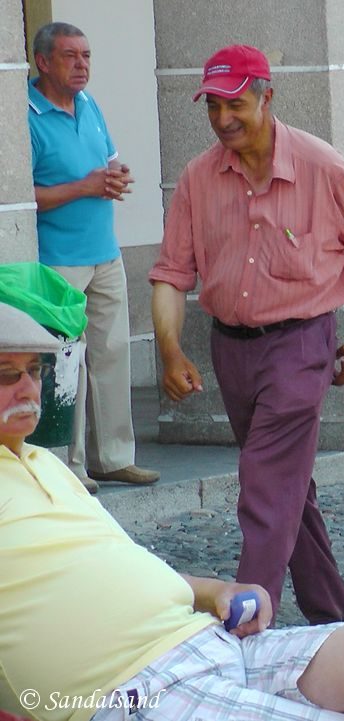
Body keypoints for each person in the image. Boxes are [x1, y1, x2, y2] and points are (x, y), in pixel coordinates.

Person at [0, 303, 344, 721]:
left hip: (205, 639)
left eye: (35, 371)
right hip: (135, 687)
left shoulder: (45, 464)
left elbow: (112, 564)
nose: (29, 388)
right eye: (7, 375)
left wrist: (216, 590)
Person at [149, 45, 344, 624]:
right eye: (213, 107)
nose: (222, 119)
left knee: (265, 487)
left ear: (267, 97)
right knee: (289, 489)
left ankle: (244, 628)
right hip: (231, 349)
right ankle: (334, 620)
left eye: (235, 104)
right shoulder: (198, 176)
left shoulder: (322, 166)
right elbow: (170, 273)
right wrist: (169, 348)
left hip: (300, 344)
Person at [26, 21, 158, 494]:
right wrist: (85, 186)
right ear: (43, 62)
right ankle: (72, 465)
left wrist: (117, 174)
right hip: (59, 259)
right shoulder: (24, 113)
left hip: (105, 252)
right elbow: (21, 197)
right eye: (70, 56)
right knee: (69, 363)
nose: (82, 65)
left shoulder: (89, 104)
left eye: (86, 56)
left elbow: (110, 159)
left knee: (112, 354)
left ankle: (115, 457)